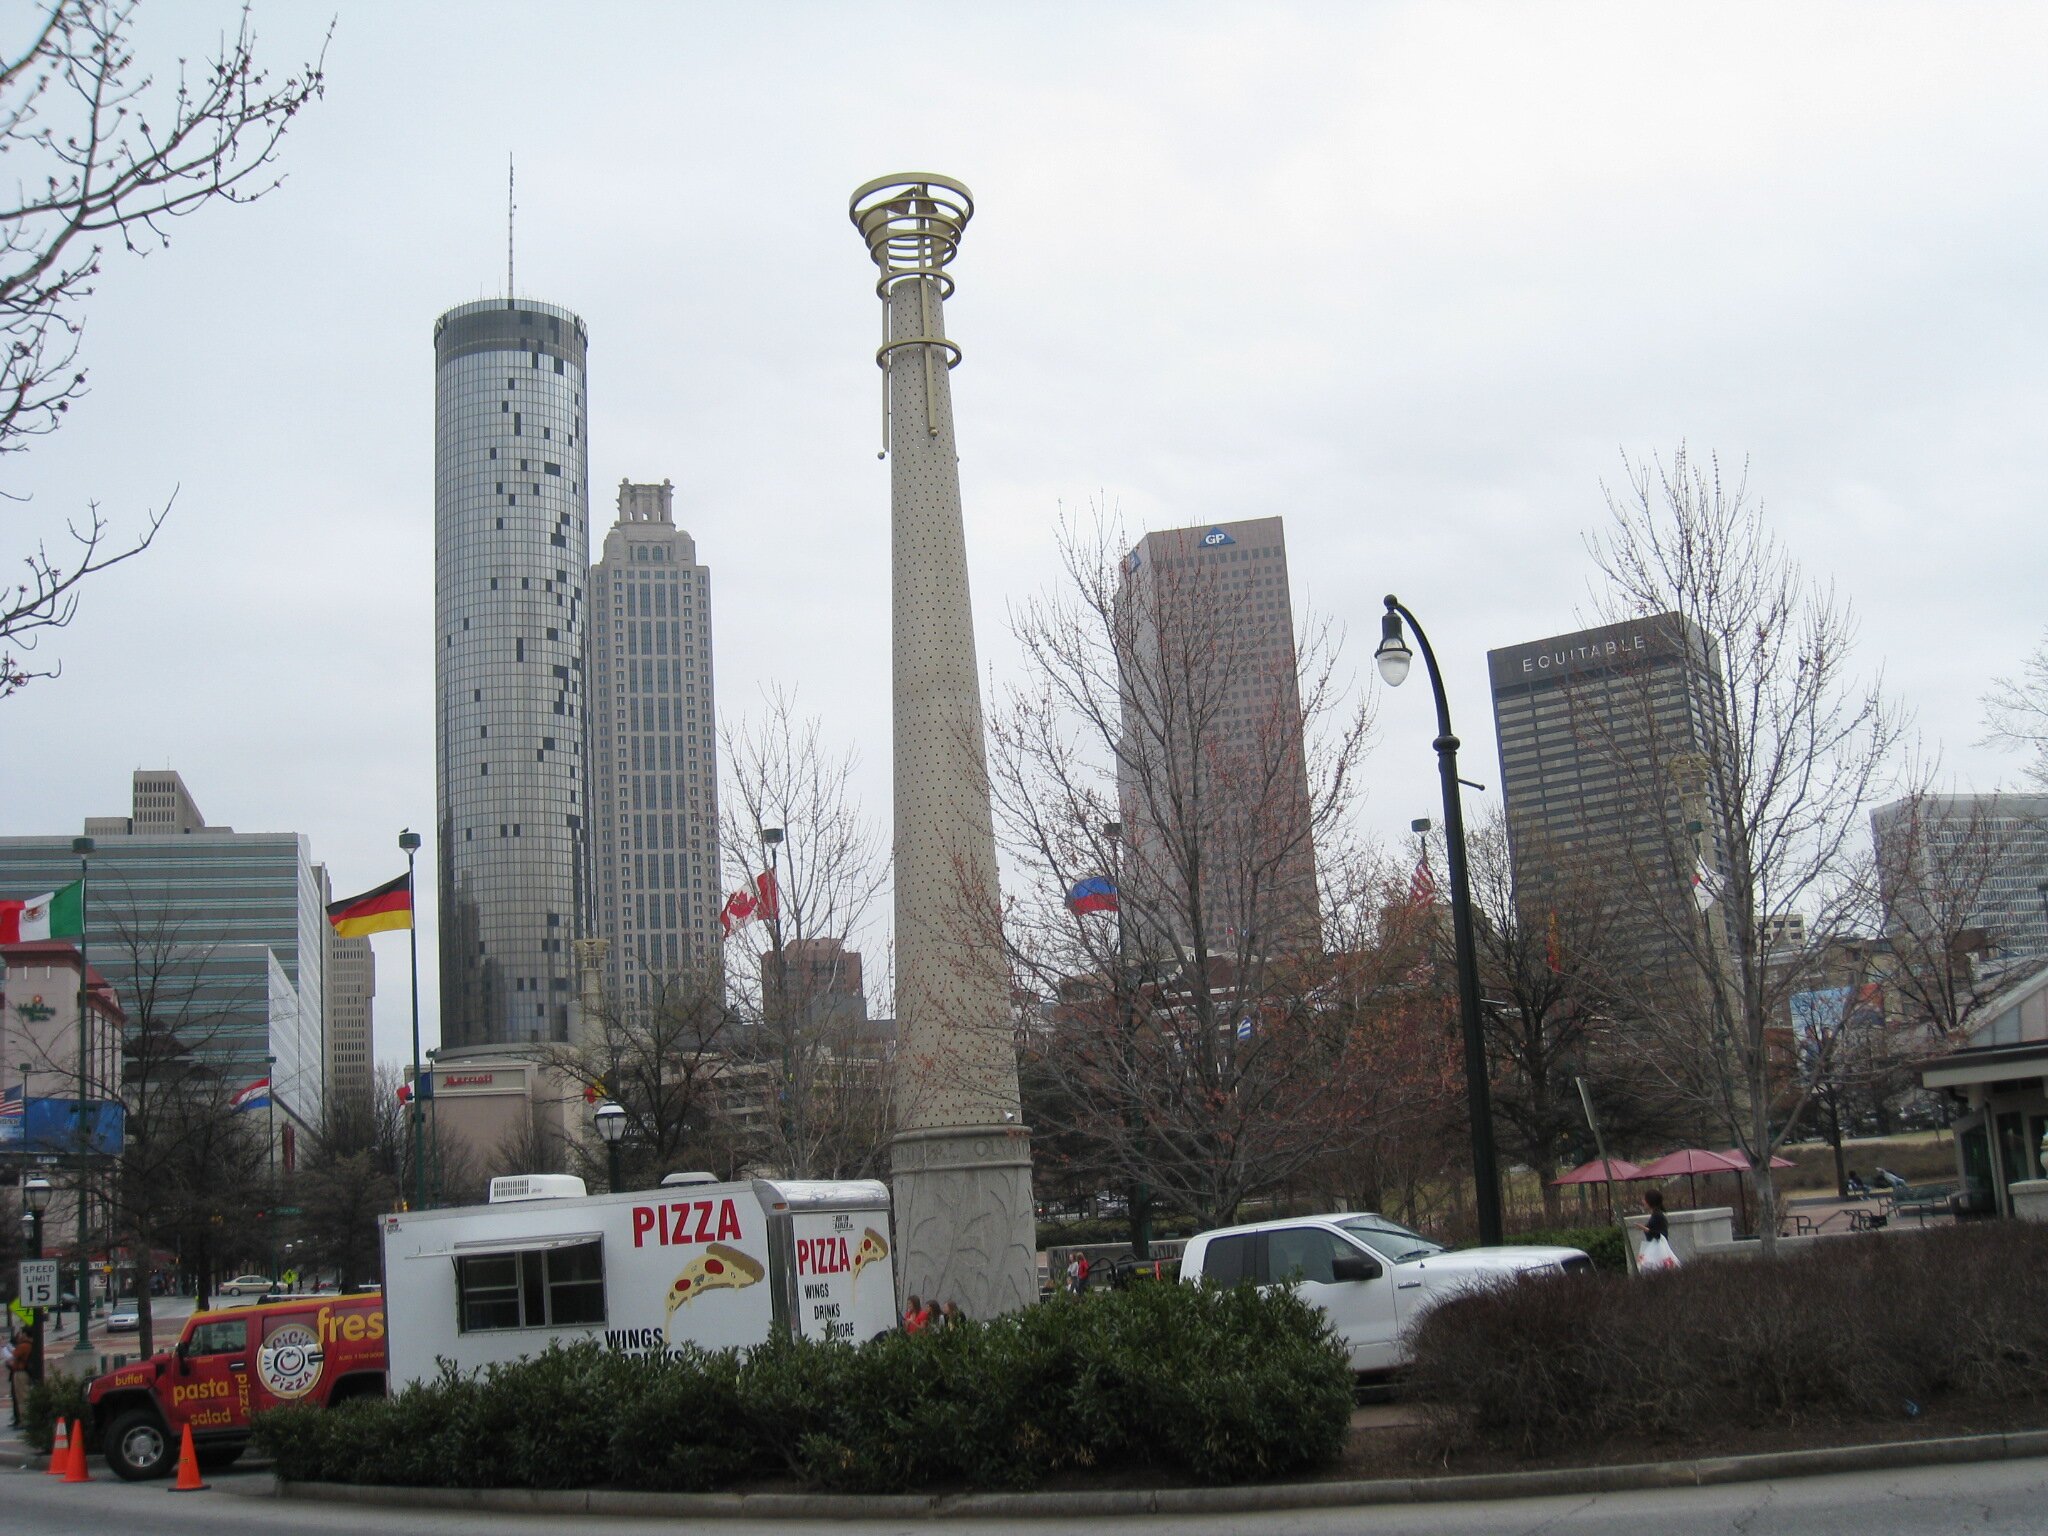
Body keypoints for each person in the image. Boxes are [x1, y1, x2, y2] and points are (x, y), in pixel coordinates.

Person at [1638, 1189, 1680, 1272]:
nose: (1643, 1202)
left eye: (1645, 1199)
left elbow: (1662, 1234)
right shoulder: (1656, 1214)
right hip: (1655, 1249)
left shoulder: (1658, 1215)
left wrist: (1647, 1230)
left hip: (1657, 1251)